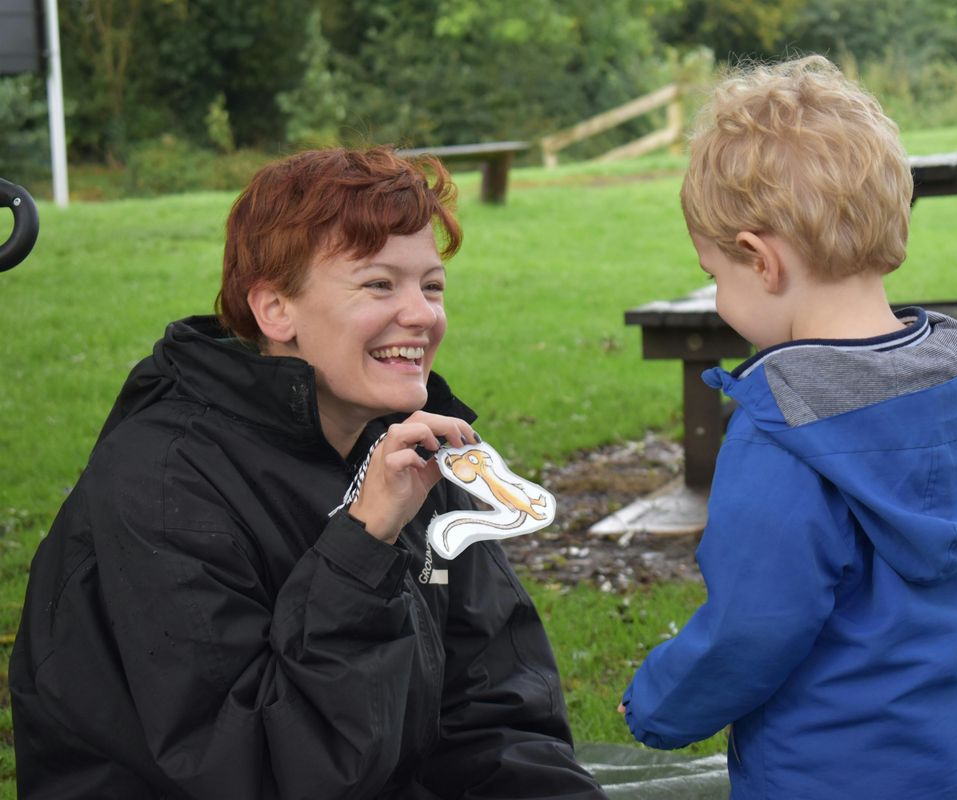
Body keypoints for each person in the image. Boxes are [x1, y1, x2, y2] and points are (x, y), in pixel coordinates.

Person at [10, 147, 607, 799]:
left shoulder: (415, 445)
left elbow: (493, 709)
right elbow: (259, 769)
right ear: (275, 310)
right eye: (379, 284)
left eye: (431, 285)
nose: (422, 315)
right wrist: (363, 543)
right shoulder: (162, 483)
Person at [619, 56, 957, 799]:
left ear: (759, 259)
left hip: (826, 775)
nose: (717, 298)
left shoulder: (784, 427)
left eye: (715, 276)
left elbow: (755, 625)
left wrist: (657, 704)